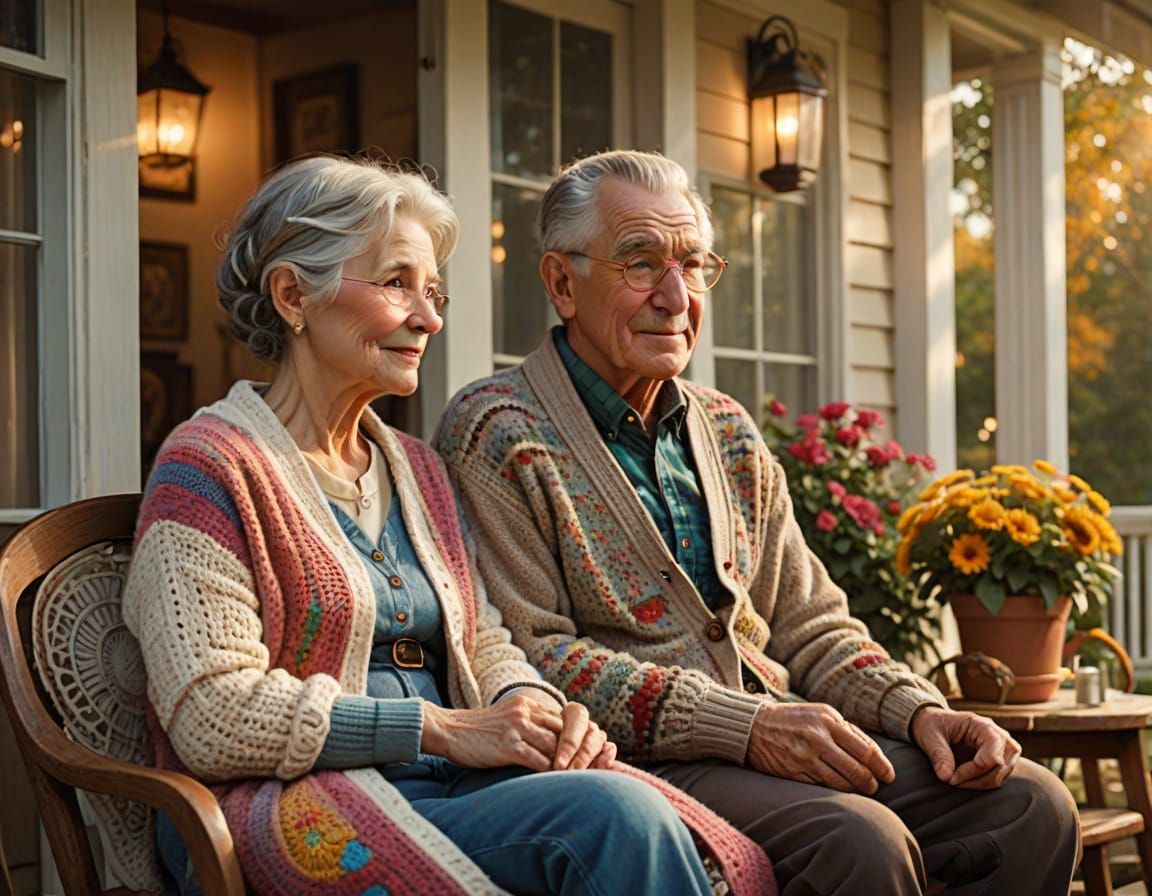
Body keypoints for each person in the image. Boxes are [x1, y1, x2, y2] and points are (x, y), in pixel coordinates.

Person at [433, 149, 1081, 895]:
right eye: (641, 263)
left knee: (1031, 805)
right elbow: (533, 653)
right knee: (858, 842)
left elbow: (811, 625)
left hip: (778, 735)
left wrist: (918, 711)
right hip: (633, 761)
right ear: (561, 283)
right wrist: (739, 726)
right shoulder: (498, 432)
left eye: (694, 265)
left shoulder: (727, 429)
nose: (676, 297)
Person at [122, 154, 773, 896]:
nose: (429, 318)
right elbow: (212, 713)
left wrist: (526, 704)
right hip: (285, 803)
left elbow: (483, 639)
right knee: (615, 820)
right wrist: (440, 729)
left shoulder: (415, 468)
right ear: (293, 295)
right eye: (398, 283)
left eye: (433, 292)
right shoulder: (209, 468)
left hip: (445, 788)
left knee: (649, 816)